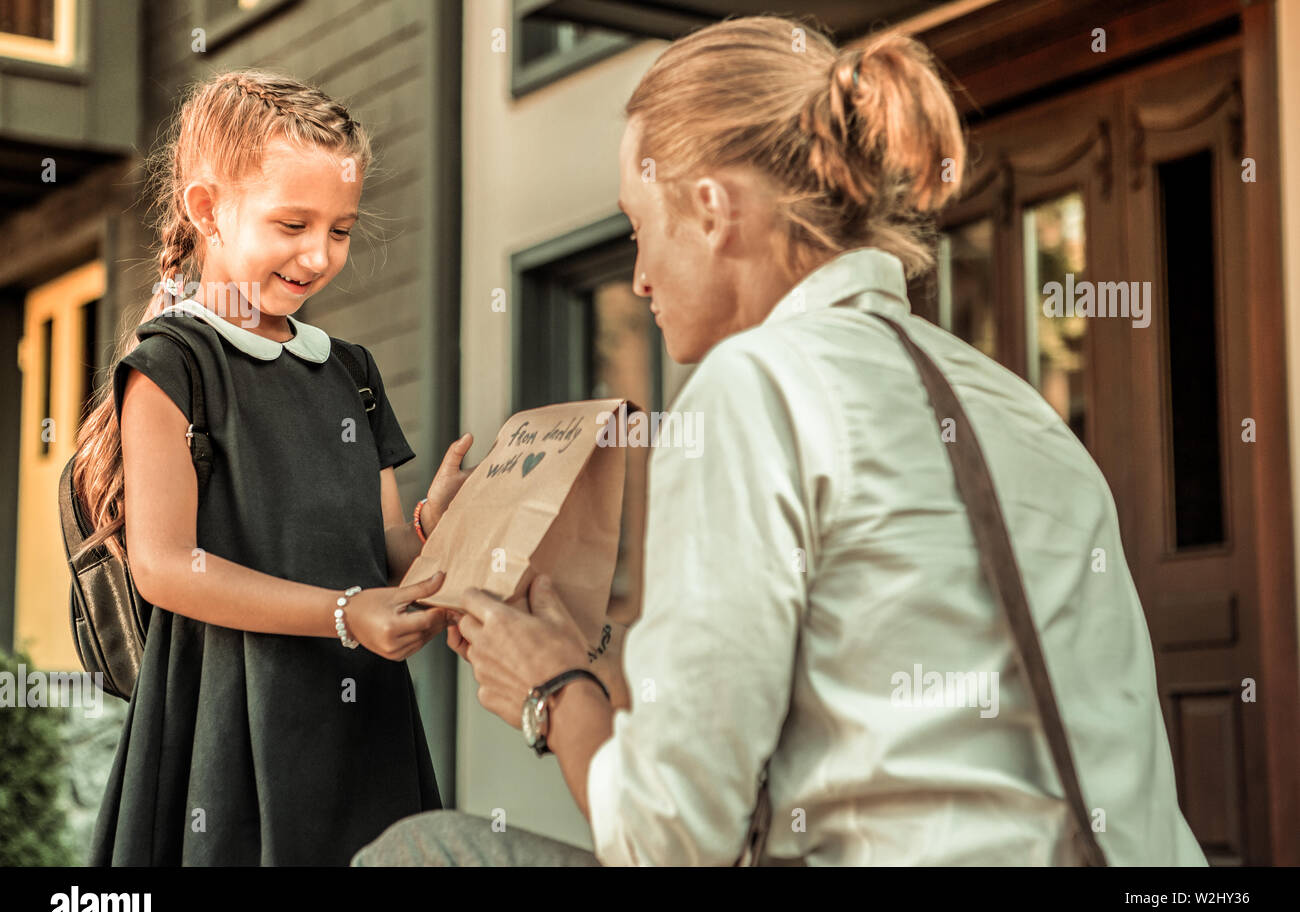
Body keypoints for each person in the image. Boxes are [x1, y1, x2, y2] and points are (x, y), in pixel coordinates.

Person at [353, 18, 1207, 866]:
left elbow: (669, 840)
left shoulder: (755, 387)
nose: (639, 273)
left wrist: (550, 692)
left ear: (712, 210)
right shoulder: (1018, 407)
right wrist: (579, 662)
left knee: (424, 853)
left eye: (638, 224)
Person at [75, 69, 470, 865]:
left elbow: (388, 546)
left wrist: (440, 529)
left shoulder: (350, 370)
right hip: (225, 725)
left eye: (342, 229)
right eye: (293, 223)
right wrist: (343, 613)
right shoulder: (171, 364)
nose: (318, 255)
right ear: (207, 209)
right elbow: (164, 568)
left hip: (361, 722)